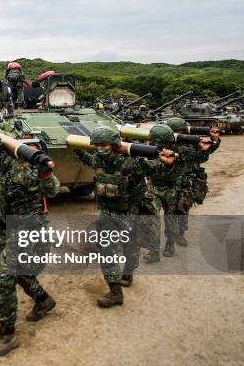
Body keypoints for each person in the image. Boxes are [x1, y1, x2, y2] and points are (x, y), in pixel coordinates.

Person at [0, 125, 60, 358]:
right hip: (4, 230)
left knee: (2, 281)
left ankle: (7, 334)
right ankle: (43, 300)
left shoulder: (21, 169)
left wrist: (45, 173)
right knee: (19, 274)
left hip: (27, 231)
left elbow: (54, 190)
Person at [73, 127, 175, 306]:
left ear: (113, 145)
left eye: (103, 145)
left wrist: (167, 162)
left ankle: (128, 273)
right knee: (107, 251)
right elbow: (87, 158)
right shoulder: (98, 159)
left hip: (129, 214)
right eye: (96, 145)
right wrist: (74, 146)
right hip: (107, 214)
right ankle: (115, 291)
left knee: (131, 246)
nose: (99, 149)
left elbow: (156, 168)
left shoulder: (130, 162)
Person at [148, 124, 213, 257]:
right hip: (154, 187)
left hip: (172, 189)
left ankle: (170, 244)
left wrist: (204, 149)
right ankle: (153, 250)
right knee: (151, 219)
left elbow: (198, 157)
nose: (157, 144)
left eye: (160, 142)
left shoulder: (181, 149)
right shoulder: (149, 148)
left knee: (171, 219)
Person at [163, 118, 220, 249]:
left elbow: (204, 155)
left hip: (187, 182)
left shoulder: (191, 143)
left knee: (183, 210)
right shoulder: (165, 143)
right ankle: (170, 243)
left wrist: (214, 140)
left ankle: (181, 233)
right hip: (170, 183)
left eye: (179, 131)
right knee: (170, 213)